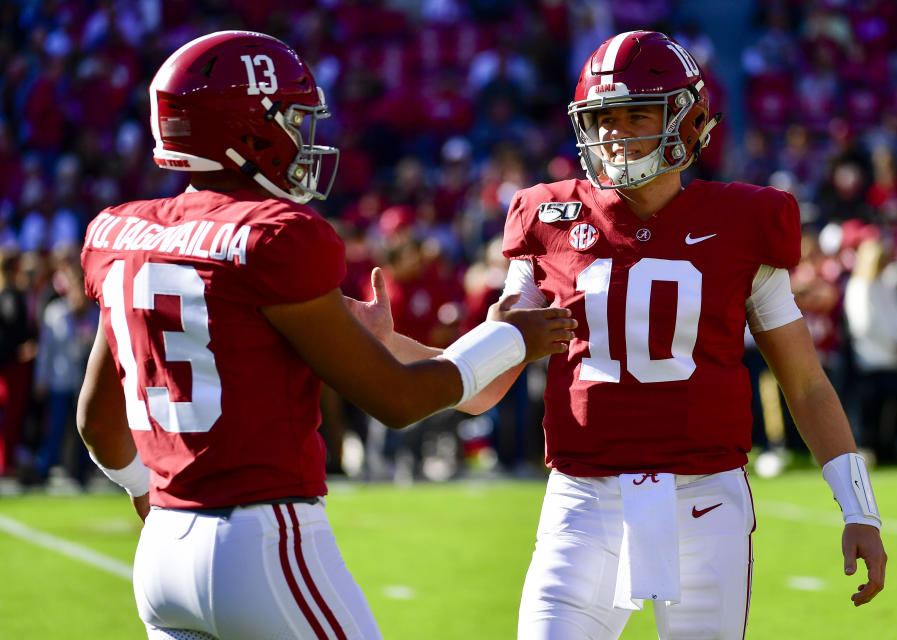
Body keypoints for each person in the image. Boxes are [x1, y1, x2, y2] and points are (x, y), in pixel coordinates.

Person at [360, 31, 887, 639]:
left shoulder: (745, 223)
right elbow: (482, 379)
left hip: (704, 502)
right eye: (602, 117)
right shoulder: (549, 218)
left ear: (688, 124)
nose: (613, 133)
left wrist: (859, 509)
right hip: (583, 501)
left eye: (636, 114)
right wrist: (390, 343)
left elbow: (807, 385)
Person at [75, 31, 576, 640]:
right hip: (261, 543)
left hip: (161, 558)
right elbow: (398, 399)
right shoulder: (278, 234)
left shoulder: (118, 233)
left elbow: (97, 426)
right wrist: (510, 337)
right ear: (247, 132)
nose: (306, 137)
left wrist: (143, 492)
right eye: (291, 119)